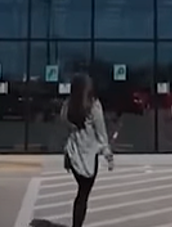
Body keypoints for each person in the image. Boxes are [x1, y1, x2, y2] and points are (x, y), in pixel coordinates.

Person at [61, 73, 113, 227]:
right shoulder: (94, 106)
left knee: (81, 194)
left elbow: (64, 124)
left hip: (73, 154)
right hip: (89, 158)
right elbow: (101, 133)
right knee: (83, 194)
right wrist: (108, 155)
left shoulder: (67, 105)